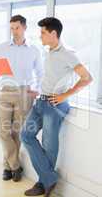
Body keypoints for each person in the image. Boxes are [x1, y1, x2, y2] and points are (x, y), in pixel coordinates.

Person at [20, 17, 92, 197]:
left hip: (55, 105)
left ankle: (43, 183)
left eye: (43, 32)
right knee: (25, 135)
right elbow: (52, 76)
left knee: (49, 145)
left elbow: (87, 78)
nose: (40, 36)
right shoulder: (49, 52)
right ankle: (49, 178)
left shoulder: (68, 53)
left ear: (53, 33)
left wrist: (64, 95)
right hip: (41, 101)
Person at [0, 15, 43, 182]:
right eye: (11, 28)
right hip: (6, 90)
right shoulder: (2, 47)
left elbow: (40, 73)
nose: (14, 31)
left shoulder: (34, 49)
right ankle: (16, 165)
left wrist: (36, 90)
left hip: (24, 92)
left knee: (16, 132)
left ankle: (7, 167)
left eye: (17, 27)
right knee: (2, 131)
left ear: (24, 27)